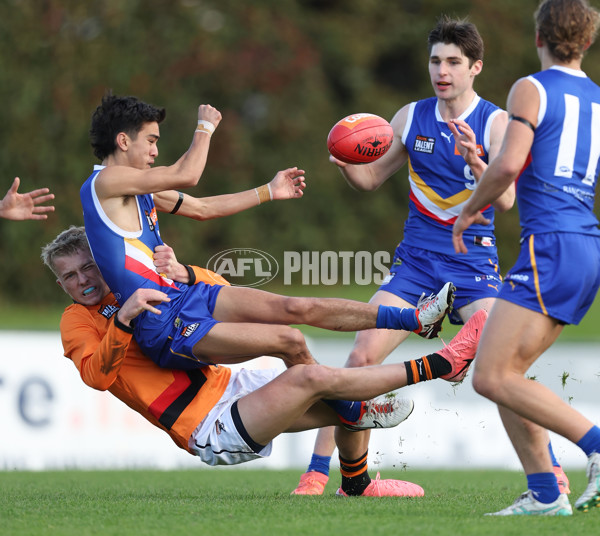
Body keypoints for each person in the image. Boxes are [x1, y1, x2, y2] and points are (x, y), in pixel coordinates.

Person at [293, 15, 568, 497]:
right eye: (436, 61)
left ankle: (549, 473)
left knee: (502, 368)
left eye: (454, 62)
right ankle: (323, 475)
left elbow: (505, 202)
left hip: (474, 273)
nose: (442, 71)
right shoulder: (410, 116)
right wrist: (345, 163)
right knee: (359, 359)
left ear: (475, 67)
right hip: (415, 267)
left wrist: (475, 162)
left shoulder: (496, 122)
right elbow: (371, 180)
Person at [42, 226, 481, 497]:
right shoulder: (76, 321)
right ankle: (442, 363)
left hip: (233, 387)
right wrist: (122, 320)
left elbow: (214, 293)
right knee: (316, 378)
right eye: (68, 276)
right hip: (205, 425)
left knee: (338, 393)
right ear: (60, 283)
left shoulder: (135, 282)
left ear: (103, 263)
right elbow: (97, 377)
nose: (81, 281)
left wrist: (183, 271)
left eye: (87, 268)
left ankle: (356, 484)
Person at [453, 0, 600, 516]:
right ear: (587, 41)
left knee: (492, 377)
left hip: (551, 246)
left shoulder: (530, 88)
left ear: (539, 35)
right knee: (506, 372)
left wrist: (469, 209)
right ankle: (543, 493)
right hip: (584, 246)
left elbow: (510, 165)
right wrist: (482, 162)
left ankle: (596, 445)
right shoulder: (598, 99)